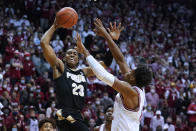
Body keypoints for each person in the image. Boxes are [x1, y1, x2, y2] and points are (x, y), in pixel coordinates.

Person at [75, 18, 152, 131]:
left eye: (131, 73)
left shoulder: (131, 91)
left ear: (133, 79)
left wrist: (85, 52)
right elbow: (120, 60)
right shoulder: (133, 82)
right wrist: (112, 39)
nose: (128, 71)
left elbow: (103, 75)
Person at [40, 19, 112, 131]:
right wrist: (54, 25)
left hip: (77, 114)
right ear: (64, 58)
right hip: (66, 113)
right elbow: (44, 43)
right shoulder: (60, 68)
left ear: (78, 59)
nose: (72, 55)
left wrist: (112, 40)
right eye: (69, 53)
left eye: (75, 53)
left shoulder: (84, 72)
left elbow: (106, 64)